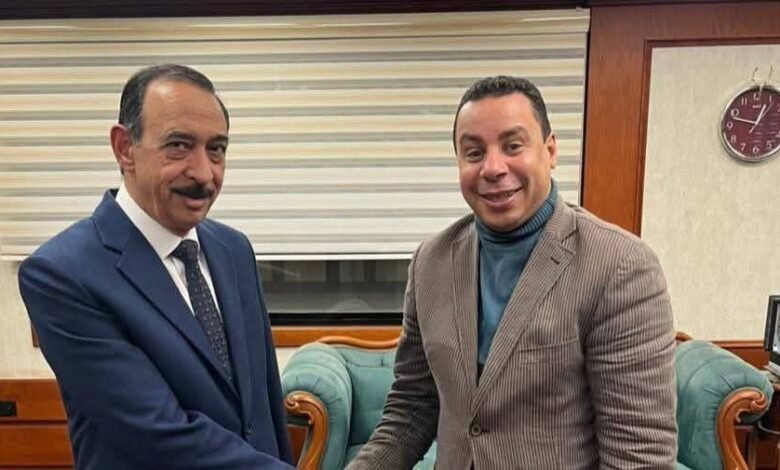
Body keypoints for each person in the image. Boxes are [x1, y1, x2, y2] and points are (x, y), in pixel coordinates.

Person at [346, 76, 676, 469]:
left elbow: (639, 457)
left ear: (550, 151)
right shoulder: (430, 263)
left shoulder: (620, 267)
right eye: (473, 152)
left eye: (512, 146)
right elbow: (410, 411)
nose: (492, 168)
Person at [18, 64, 294, 470]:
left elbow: (264, 407)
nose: (203, 173)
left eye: (216, 149)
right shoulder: (62, 274)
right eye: (179, 145)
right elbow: (158, 433)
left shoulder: (233, 250)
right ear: (124, 148)